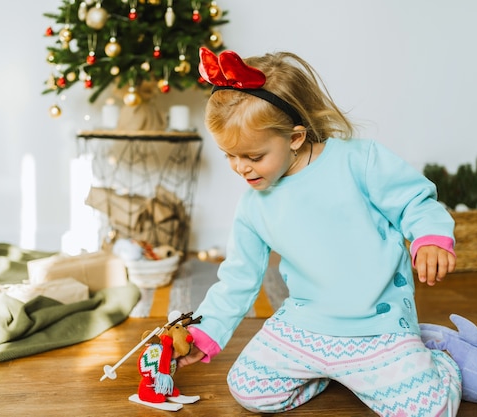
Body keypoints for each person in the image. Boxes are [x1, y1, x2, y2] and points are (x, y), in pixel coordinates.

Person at [178, 47, 462, 416]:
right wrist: (207, 331)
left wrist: (430, 237)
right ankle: (332, 372)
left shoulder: (359, 161)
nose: (240, 168)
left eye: (253, 156)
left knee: (429, 410)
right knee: (248, 389)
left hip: (377, 326)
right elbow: (238, 279)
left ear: (295, 138)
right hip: (304, 325)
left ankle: (444, 363)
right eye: (229, 155)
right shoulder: (252, 205)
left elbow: (415, 201)